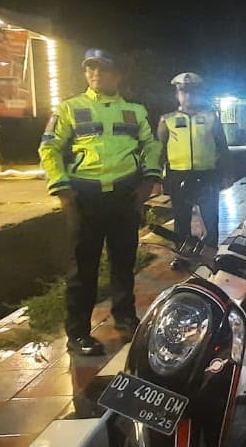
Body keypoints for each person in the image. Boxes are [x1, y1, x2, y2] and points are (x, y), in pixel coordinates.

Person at [38, 49, 161, 356]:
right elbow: (49, 148)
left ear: (117, 75)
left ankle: (125, 317)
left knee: (123, 262)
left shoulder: (134, 111)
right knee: (82, 268)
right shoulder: (70, 108)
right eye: (90, 68)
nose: (95, 74)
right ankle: (78, 332)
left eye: (102, 69)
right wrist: (62, 188)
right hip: (85, 197)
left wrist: (148, 180)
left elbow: (151, 145)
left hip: (124, 196)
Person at [157, 72, 232, 248]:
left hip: (207, 176)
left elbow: (223, 148)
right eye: (183, 92)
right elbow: (159, 151)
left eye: (193, 92)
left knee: (211, 220)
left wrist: (227, 175)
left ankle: (210, 254)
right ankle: (183, 254)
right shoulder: (167, 120)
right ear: (177, 94)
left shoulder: (211, 118)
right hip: (178, 176)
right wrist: (156, 178)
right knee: (181, 220)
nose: (188, 96)